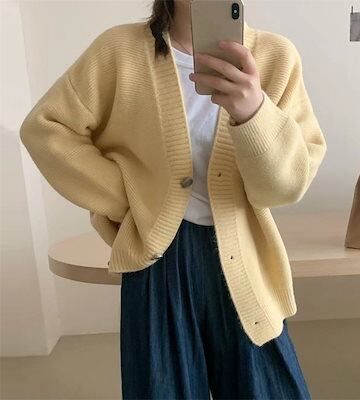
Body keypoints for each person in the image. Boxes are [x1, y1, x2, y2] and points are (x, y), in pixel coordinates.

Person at [20, 0, 327, 398]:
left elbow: (284, 187)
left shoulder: (275, 58)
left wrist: (254, 112)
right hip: (158, 259)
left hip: (245, 256)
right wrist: (130, 197)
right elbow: (45, 129)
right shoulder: (118, 51)